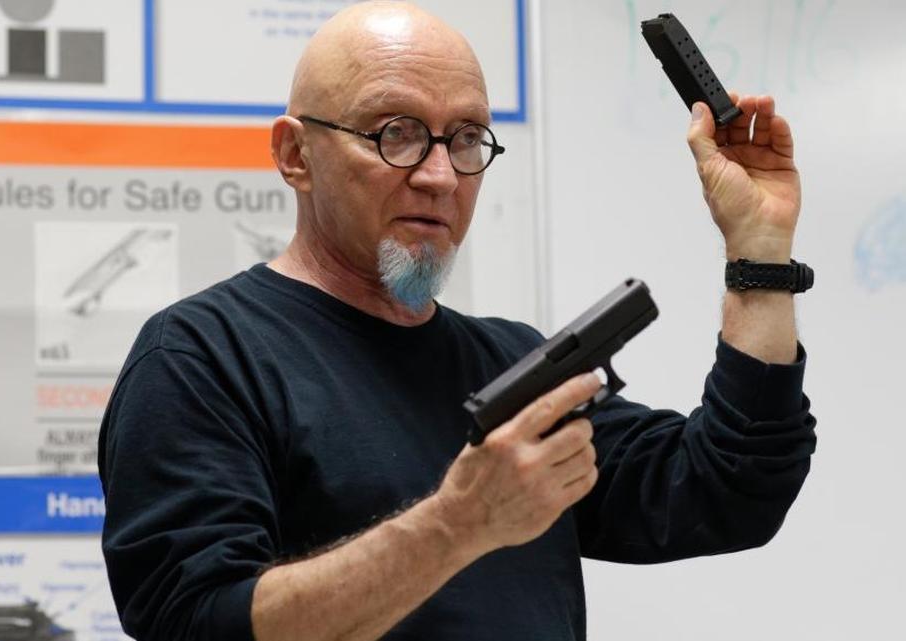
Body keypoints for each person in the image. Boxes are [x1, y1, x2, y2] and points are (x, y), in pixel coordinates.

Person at [98, 3, 816, 640]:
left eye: (467, 137)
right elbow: (197, 620)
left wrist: (759, 250)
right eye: (396, 133)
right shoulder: (201, 356)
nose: (440, 175)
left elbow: (729, 490)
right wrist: (457, 525)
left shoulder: (513, 364)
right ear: (296, 156)